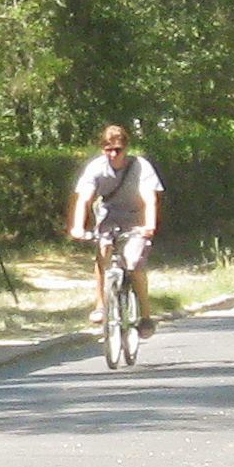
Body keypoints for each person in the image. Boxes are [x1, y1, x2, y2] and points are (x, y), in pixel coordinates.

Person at [67, 124, 162, 337]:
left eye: (117, 149)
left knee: (133, 262)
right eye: (108, 149)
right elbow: (84, 199)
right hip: (109, 217)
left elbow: (150, 198)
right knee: (103, 252)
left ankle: (145, 316)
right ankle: (101, 304)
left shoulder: (140, 166)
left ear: (126, 148)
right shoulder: (96, 168)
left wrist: (149, 225)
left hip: (136, 219)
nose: (112, 154)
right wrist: (78, 226)